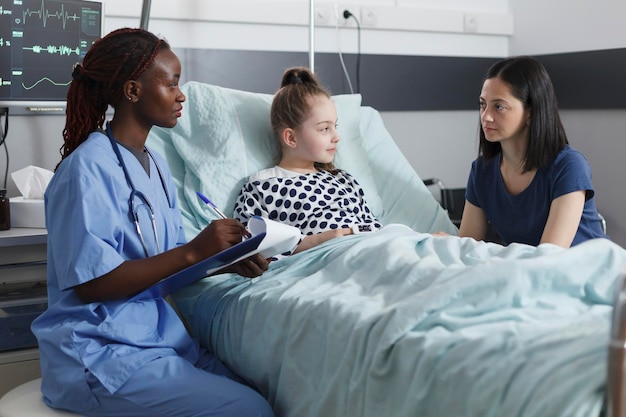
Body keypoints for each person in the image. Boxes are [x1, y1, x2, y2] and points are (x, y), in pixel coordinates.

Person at [30, 28, 275, 417]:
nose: (181, 95)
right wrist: (196, 250)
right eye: (172, 83)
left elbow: (167, 263)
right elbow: (94, 285)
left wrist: (224, 260)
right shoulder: (85, 171)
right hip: (101, 353)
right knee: (249, 410)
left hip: (156, 340)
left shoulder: (156, 165)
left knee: (269, 392)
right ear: (132, 91)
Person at [458, 55, 607, 247]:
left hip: (588, 272)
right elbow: (467, 246)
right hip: (529, 271)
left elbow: (549, 256)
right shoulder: (481, 170)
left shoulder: (569, 166)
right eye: (482, 104)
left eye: (499, 106)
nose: (486, 116)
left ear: (531, 112)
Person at [233, 67, 382, 255]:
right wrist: (318, 240)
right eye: (324, 129)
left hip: (371, 250)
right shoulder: (262, 186)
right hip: (328, 259)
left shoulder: (344, 180)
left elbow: (373, 227)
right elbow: (250, 253)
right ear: (291, 138)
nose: (337, 137)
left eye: (335, 126)